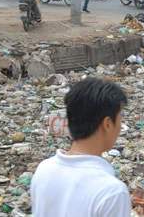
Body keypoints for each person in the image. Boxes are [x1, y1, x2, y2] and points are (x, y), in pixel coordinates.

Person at [30, 77, 131, 216]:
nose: (120, 127)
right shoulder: (112, 191)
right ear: (107, 124)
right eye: (120, 120)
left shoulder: (43, 170)